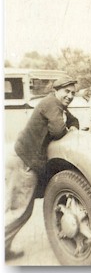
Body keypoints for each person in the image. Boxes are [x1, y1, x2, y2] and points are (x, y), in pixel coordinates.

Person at [5, 75, 79, 261]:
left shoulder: (57, 105)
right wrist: (69, 130)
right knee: (18, 211)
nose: (70, 96)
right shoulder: (52, 104)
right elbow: (57, 130)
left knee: (20, 210)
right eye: (66, 91)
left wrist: (72, 126)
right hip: (25, 162)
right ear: (56, 90)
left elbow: (73, 120)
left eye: (73, 93)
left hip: (23, 160)